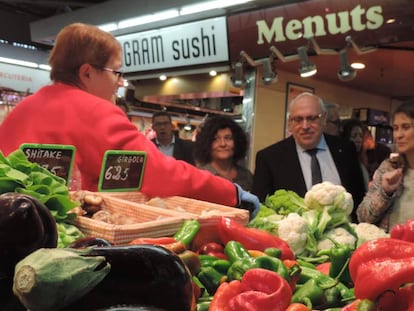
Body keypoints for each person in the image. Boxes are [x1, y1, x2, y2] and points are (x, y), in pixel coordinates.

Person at [0, 23, 259, 215]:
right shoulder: (96, 111)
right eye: (116, 72)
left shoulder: (21, 111)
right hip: (71, 245)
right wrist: (229, 192)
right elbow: (159, 173)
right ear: (87, 72)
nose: (120, 82)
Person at [252, 92, 365, 221]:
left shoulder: (345, 150)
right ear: (290, 123)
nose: (305, 126)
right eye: (298, 119)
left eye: (312, 118)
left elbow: (359, 198)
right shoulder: (269, 158)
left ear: (324, 119)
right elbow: (260, 210)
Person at [357, 99, 414, 231]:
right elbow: (362, 217)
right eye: (395, 128)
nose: (398, 135)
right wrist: (385, 192)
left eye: (406, 127)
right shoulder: (389, 167)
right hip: (390, 247)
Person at [194, 115, 253, 191]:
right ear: (206, 143)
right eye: (216, 139)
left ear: (237, 142)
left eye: (228, 138)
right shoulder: (199, 175)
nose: (223, 144)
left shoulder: (246, 177)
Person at [341, 119, 370, 191]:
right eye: (354, 136)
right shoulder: (342, 163)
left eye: (360, 136)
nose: (358, 140)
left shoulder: (361, 161)